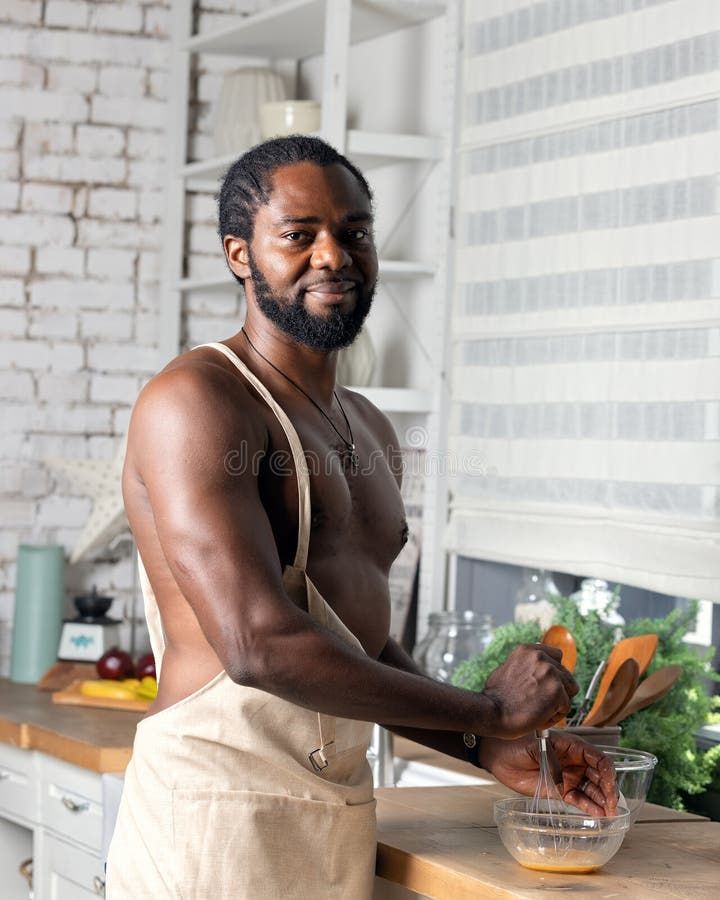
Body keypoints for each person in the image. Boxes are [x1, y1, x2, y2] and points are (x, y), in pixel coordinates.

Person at [105, 136, 617, 899]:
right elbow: (258, 644)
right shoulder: (197, 403)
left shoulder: (369, 427)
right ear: (239, 254)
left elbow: (363, 645)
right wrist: (491, 708)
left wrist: (484, 744)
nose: (334, 256)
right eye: (299, 235)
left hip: (333, 814)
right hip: (211, 816)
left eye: (353, 232)